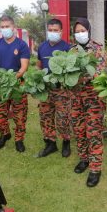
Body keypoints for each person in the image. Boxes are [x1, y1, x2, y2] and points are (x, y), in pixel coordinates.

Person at [69, 17, 106, 187]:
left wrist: (82, 76)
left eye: (82, 30)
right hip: (76, 98)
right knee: (79, 129)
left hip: (93, 98)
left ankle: (95, 168)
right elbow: (67, 75)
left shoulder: (97, 48)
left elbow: (100, 73)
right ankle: (84, 159)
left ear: (88, 31)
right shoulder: (72, 51)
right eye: (77, 31)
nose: (79, 34)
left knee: (93, 132)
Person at [0, 15, 30, 152]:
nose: (5, 29)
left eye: (7, 26)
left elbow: (24, 67)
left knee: (20, 116)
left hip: (17, 84)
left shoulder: (22, 45)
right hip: (1, 85)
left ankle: (19, 139)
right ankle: (4, 134)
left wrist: (13, 79)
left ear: (13, 27)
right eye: (2, 27)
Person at [36, 18, 71, 158]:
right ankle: (50, 144)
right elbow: (39, 65)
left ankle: (66, 142)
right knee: (45, 117)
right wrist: (38, 77)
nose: (52, 33)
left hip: (61, 90)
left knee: (63, 118)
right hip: (45, 89)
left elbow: (70, 70)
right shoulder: (42, 47)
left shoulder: (67, 48)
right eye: (50, 30)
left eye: (55, 30)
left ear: (61, 31)